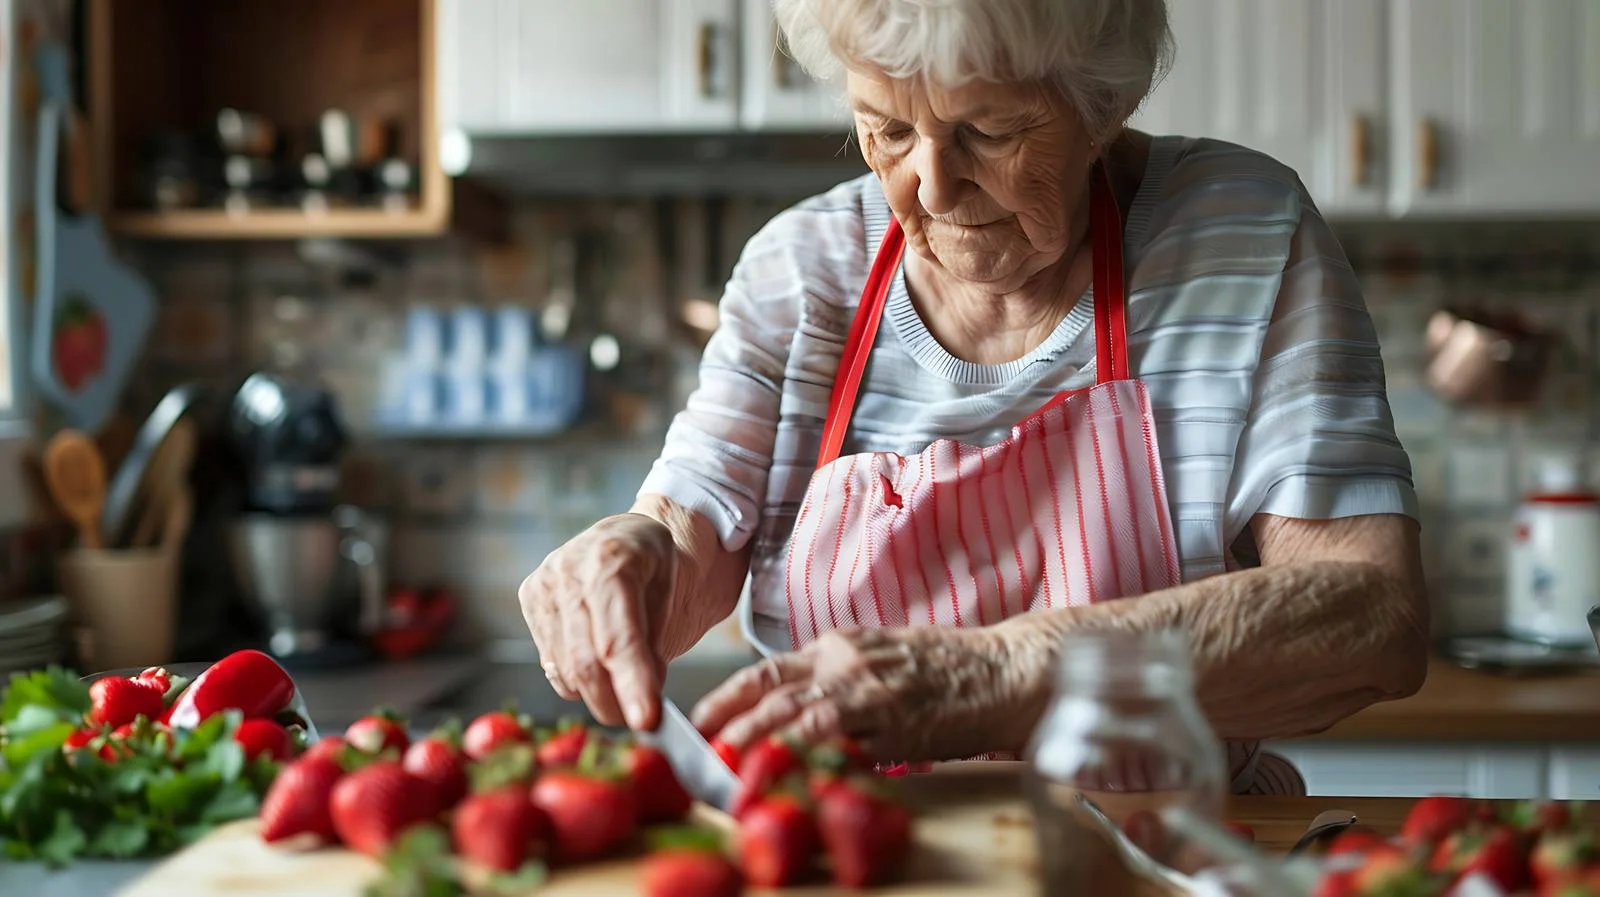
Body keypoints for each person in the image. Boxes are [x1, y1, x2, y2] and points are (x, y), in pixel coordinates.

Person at [519, 0, 1428, 793]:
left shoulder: (1240, 233)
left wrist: (993, 674)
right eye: (886, 129)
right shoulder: (802, 269)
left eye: (988, 131)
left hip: (1158, 849)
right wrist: (630, 555)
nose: (932, 183)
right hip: (849, 851)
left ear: (1104, 103)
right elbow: (688, 542)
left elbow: (1368, 615)